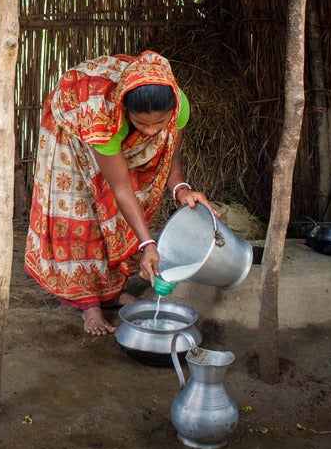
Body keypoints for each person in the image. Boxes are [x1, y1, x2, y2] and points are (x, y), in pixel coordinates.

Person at [24, 50, 215, 336]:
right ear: (125, 111)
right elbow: (120, 188)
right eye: (141, 124)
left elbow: (171, 155)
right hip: (72, 125)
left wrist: (181, 189)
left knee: (123, 214)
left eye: (159, 123)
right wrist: (147, 244)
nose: (151, 131)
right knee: (83, 211)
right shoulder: (104, 118)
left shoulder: (178, 105)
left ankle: (112, 292)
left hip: (108, 128)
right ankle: (90, 305)